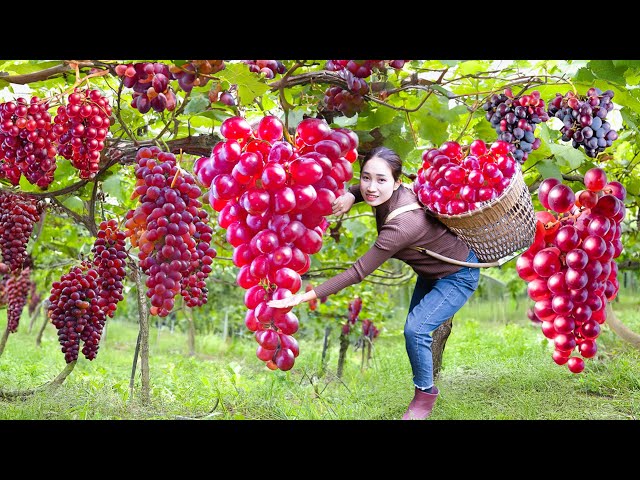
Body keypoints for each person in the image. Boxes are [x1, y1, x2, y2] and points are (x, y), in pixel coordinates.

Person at [267, 146, 480, 420]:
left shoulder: (402, 227)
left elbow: (358, 272)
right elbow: (368, 189)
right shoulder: (388, 194)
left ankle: (424, 397)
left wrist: (301, 297)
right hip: (432, 273)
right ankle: (427, 382)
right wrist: (350, 194)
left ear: (398, 182)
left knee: (415, 330)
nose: (371, 187)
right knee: (417, 331)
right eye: (366, 177)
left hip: (458, 276)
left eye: (381, 180)